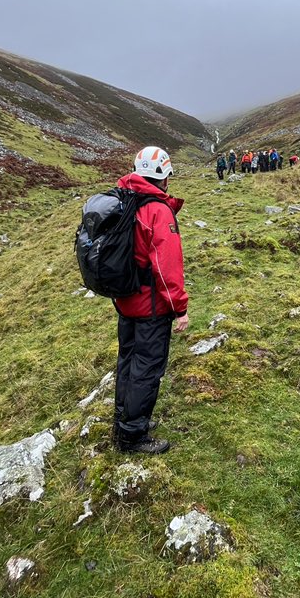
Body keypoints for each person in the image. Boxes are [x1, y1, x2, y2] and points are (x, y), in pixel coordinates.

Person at [112, 146, 189, 454]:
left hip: (126, 300)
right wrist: (179, 308)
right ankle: (133, 436)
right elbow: (166, 267)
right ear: (164, 176)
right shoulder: (157, 210)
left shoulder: (123, 198)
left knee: (128, 361)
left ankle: (124, 419)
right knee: (146, 368)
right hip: (150, 308)